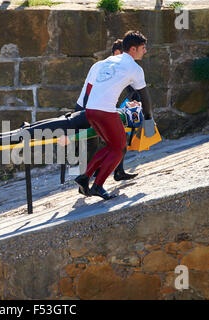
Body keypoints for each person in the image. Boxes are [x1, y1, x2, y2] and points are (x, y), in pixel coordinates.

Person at [0, 39, 141, 182]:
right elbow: (90, 92)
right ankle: (80, 175)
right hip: (86, 109)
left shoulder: (120, 69)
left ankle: (114, 171)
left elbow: (127, 89)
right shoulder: (103, 66)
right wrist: (95, 114)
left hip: (99, 111)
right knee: (90, 144)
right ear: (116, 53)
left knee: (115, 141)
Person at [74, 30, 154, 200]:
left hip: (90, 111)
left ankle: (84, 177)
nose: (145, 51)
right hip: (105, 111)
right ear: (133, 49)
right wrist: (148, 119)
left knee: (112, 146)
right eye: (143, 48)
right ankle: (98, 185)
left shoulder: (109, 61)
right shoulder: (135, 68)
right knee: (119, 148)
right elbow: (145, 98)